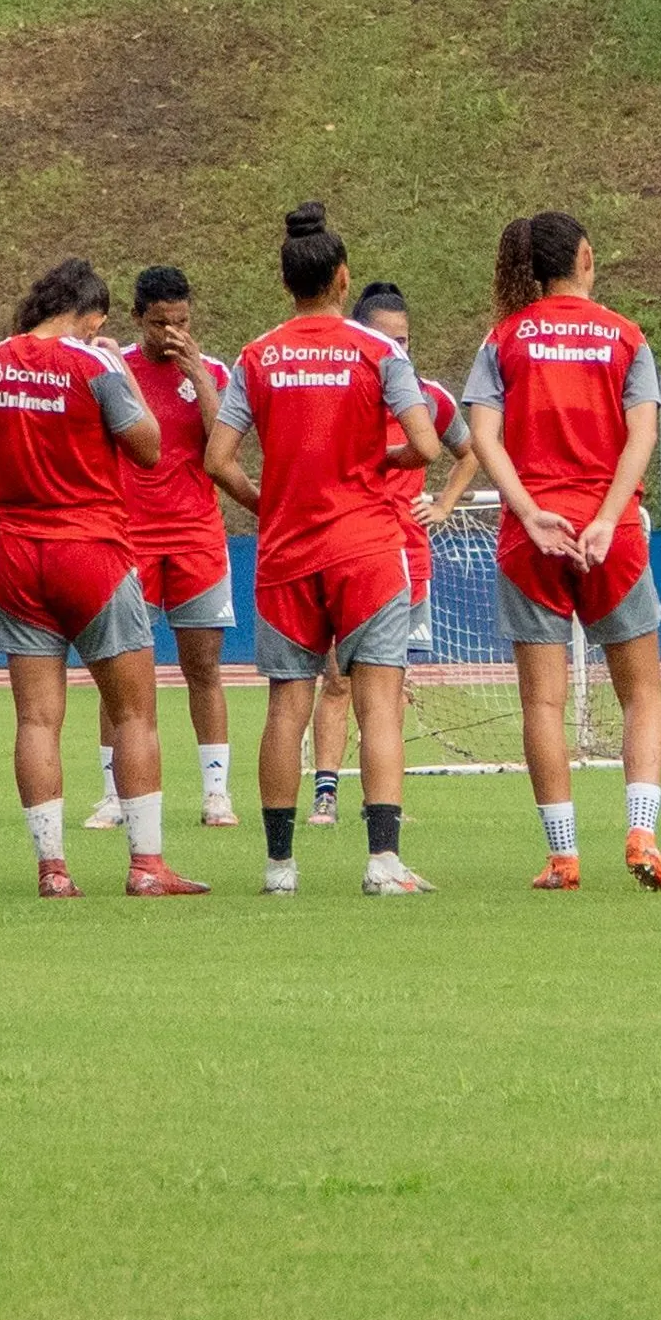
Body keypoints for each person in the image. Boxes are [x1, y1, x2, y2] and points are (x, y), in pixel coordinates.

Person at [0, 257, 205, 898]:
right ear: (89, 316)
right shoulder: (95, 363)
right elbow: (149, 447)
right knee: (134, 715)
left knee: (37, 721)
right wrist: (122, 366)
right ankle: (147, 867)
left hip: (21, 560)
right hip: (94, 555)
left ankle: (52, 870)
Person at [207, 203, 453, 895]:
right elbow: (429, 443)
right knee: (378, 701)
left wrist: (271, 500)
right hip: (367, 549)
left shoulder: (257, 356)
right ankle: (382, 862)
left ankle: (280, 868)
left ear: (287, 280)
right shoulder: (380, 352)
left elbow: (218, 458)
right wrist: (379, 463)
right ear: (343, 277)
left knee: (286, 706)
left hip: (286, 553)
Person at [464, 210, 661, 891]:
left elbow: (483, 436)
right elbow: (641, 436)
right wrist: (611, 517)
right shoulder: (623, 336)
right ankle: (640, 833)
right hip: (609, 533)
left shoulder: (504, 339)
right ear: (585, 257)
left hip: (533, 536)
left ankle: (562, 856)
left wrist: (527, 512)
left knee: (541, 704)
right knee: (641, 693)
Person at [84, 266, 245, 838]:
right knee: (123, 672)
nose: (171, 332)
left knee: (203, 666)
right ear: (137, 319)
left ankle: (217, 792)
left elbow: (220, 446)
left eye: (181, 321)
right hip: (129, 536)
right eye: (159, 323)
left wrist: (198, 374)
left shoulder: (215, 372)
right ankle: (112, 794)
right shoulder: (112, 367)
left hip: (197, 536)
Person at [309, 282, 469, 826]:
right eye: (387, 339)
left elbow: (467, 451)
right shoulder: (335, 393)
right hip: (346, 551)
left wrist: (444, 505)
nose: (397, 349)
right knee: (337, 678)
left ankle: (382, 802)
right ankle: (324, 792)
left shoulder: (425, 397)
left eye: (404, 339)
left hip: (406, 559)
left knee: (391, 686)